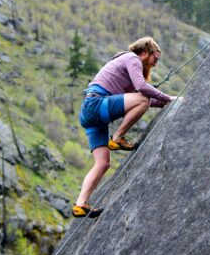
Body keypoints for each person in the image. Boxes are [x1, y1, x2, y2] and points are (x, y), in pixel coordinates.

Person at [73, 37, 175, 218]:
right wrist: (166, 97)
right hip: (96, 105)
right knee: (142, 98)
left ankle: (80, 204)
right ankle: (118, 137)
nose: (156, 64)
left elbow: (139, 99)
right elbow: (142, 89)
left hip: (91, 113)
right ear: (145, 53)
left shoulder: (124, 67)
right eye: (155, 59)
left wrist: (168, 101)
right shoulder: (132, 59)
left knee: (103, 163)